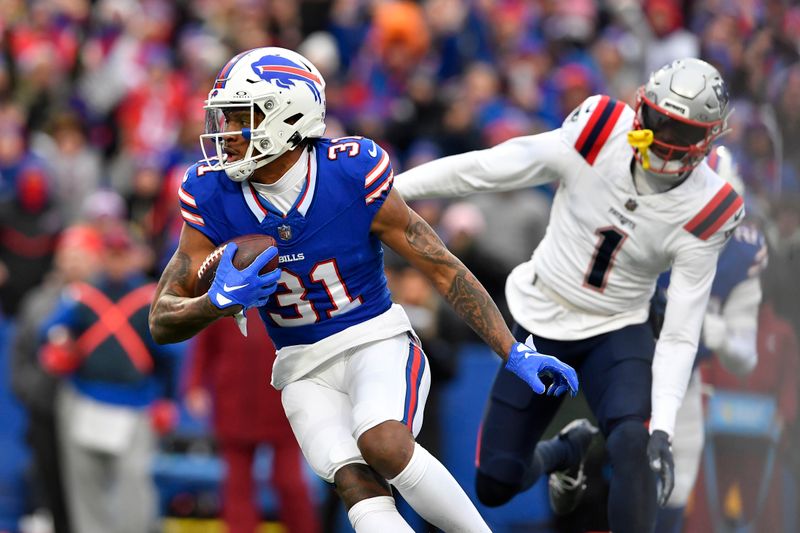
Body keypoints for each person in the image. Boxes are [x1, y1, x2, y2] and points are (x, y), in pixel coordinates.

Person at [148, 46, 578, 532]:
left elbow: (440, 265)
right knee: (357, 485)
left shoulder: (349, 172)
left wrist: (512, 351)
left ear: (287, 116)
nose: (225, 133)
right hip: (300, 368)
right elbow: (161, 319)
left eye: (239, 117)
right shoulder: (212, 193)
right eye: (224, 118)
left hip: (375, 340)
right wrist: (215, 303)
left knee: (383, 443)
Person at [395, 58, 742, 533]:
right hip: (543, 317)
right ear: (642, 107)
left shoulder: (711, 207)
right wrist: (390, 190)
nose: (663, 138)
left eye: (680, 131)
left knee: (633, 446)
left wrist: (662, 425)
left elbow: (681, 331)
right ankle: (566, 449)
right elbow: (492, 167)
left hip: (619, 327)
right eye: (660, 121)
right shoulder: (600, 131)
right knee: (495, 482)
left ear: (708, 139)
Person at [40, 223, 183, 533]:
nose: (116, 260)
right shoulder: (82, 295)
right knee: (85, 488)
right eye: (111, 254)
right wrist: (58, 342)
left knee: (134, 486)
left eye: (122, 254)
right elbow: (50, 331)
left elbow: (170, 355)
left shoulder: (150, 299)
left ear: (134, 257)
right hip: (85, 397)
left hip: (134, 405)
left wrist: (168, 401)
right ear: (101, 257)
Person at [653, 146, 765, 533]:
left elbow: (745, 357)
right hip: (627, 360)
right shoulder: (652, 225)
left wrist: (720, 335)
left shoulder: (742, 253)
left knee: (675, 481)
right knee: (626, 470)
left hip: (685, 379)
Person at [184, 307, 321, 532]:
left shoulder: (289, 285)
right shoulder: (224, 291)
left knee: (290, 483)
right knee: (238, 486)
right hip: (234, 403)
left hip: (282, 403)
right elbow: (204, 344)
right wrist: (195, 386)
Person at [10, 224, 104, 533]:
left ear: (95, 259)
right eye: (68, 254)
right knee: (50, 485)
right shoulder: (39, 301)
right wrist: (35, 391)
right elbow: (20, 355)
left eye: (81, 254)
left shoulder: (108, 301)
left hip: (94, 411)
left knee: (93, 492)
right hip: (46, 410)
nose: (74, 262)